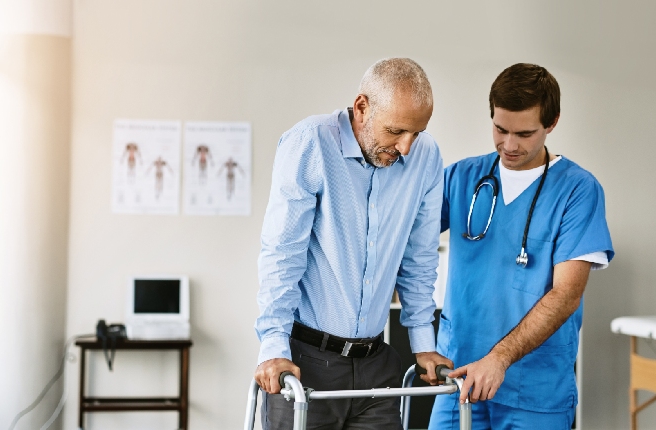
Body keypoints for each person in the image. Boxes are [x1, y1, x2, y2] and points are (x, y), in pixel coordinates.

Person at [254, 58, 453, 429]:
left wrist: (424, 344)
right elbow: (283, 256)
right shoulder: (310, 143)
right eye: (396, 131)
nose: (406, 147)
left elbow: (420, 258)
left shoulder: (426, 157)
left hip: (377, 365)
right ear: (362, 107)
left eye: (417, 133)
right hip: (305, 363)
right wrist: (273, 348)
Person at [429, 63, 614, 429]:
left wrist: (499, 358)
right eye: (500, 129)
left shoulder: (577, 191)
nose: (509, 145)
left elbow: (566, 294)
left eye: (525, 133)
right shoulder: (462, 178)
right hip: (459, 377)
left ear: (552, 122)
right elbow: (401, 239)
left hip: (534, 391)